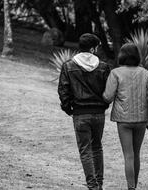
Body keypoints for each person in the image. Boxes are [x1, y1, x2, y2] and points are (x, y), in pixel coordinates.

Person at [58, 33, 110, 190]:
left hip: (80, 113)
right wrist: (103, 106)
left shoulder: (68, 66)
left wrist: (69, 109)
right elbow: (108, 91)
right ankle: (99, 183)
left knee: (85, 150)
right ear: (93, 48)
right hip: (99, 114)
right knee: (97, 147)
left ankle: (92, 186)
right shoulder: (103, 66)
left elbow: (63, 91)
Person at [103, 43, 148, 190]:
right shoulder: (145, 73)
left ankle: (131, 187)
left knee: (128, 155)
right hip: (142, 120)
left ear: (122, 55)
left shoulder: (116, 73)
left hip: (124, 120)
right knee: (136, 154)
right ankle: (134, 187)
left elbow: (107, 97)